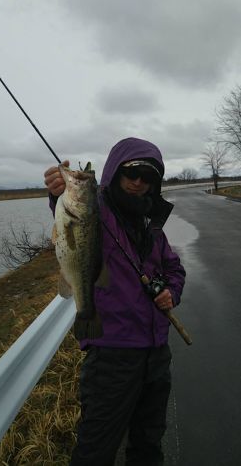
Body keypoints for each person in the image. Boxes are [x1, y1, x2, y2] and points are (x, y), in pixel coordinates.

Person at [44, 137, 186, 466]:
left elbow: (173, 268)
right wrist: (56, 193)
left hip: (156, 352)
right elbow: (73, 216)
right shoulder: (99, 210)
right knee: (96, 449)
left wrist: (170, 290)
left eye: (148, 177)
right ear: (114, 172)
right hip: (112, 355)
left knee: (149, 443)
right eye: (132, 173)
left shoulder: (152, 224)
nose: (138, 182)